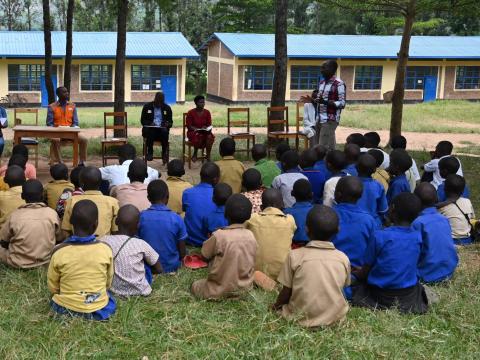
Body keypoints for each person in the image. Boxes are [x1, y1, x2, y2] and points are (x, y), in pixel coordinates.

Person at [272, 205, 350, 327]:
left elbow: (286, 292)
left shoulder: (294, 256)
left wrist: (276, 306)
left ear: (307, 230)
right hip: (334, 320)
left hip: (299, 319)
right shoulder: (343, 258)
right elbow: (341, 287)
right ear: (338, 230)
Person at [352, 193, 428, 314]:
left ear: (392, 209)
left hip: (380, 294)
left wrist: (355, 274)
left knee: (355, 287)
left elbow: (365, 272)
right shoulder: (418, 236)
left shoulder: (379, 236)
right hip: (408, 294)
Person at [47, 200, 116, 320]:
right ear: (96, 224)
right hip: (98, 307)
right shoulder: (106, 250)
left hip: (65, 308)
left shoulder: (59, 251)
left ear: (70, 222)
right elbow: (108, 282)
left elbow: (53, 286)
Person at [191, 194, 257, 299]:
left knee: (195, 285)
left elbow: (204, 255)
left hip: (216, 291)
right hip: (243, 290)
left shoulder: (219, 235)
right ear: (249, 216)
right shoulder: (251, 236)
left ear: (226, 214)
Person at [102, 205, 163, 296]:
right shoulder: (141, 244)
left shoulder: (104, 241)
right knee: (145, 263)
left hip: (113, 290)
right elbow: (159, 269)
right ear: (138, 225)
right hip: (140, 291)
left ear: (116, 221)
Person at [0, 180, 61, 269]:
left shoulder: (14, 215)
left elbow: (4, 240)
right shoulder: (52, 214)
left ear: (22, 196)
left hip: (17, 263)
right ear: (42, 195)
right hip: (45, 262)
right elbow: (59, 237)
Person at [332, 177, 376, 299]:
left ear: (338, 194)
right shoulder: (369, 220)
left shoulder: (328, 215)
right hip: (357, 274)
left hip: (329, 271)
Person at [246, 189, 296, 279]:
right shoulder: (289, 220)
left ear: (261, 207)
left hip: (256, 274)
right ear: (283, 205)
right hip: (282, 276)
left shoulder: (253, 219)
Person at [413, 183, 458, 283]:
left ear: (415, 201)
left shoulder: (417, 223)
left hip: (426, 274)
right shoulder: (444, 219)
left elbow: (412, 252)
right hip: (449, 271)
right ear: (437, 198)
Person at [139, 180, 187, 273]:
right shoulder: (177, 219)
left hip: (147, 267)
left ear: (148, 198)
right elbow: (182, 253)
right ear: (168, 197)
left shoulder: (141, 217)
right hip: (171, 266)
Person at [300, 60, 346, 151]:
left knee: (323, 148)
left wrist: (325, 102)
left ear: (332, 69)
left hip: (330, 120)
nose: (321, 70)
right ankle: (330, 162)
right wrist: (312, 100)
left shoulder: (339, 84)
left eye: (324, 68)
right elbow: (319, 102)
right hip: (319, 119)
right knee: (320, 146)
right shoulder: (321, 83)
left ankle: (325, 163)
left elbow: (342, 103)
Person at [62, 167, 119, 237]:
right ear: (100, 182)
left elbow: (66, 231)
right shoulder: (113, 202)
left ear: (81, 184)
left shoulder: (71, 200)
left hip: (78, 245)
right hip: (105, 245)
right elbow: (115, 231)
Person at [46, 86, 88, 165]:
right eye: (64, 92)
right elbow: (49, 123)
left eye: (67, 91)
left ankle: (82, 162)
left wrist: (73, 127)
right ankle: (60, 162)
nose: (67, 93)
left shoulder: (72, 106)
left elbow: (75, 122)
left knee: (84, 140)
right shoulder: (52, 107)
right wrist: (56, 128)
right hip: (57, 132)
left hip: (70, 132)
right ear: (58, 94)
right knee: (55, 140)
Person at [182, 162, 219, 247]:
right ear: (215, 179)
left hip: (191, 241)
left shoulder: (187, 193)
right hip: (211, 242)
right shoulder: (218, 195)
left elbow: (185, 210)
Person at [438, 174, 475, 245]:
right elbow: (472, 218)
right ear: (462, 191)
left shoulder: (442, 208)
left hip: (451, 241)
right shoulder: (468, 202)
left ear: (445, 189)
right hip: (468, 240)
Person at [356, 154, 388, 227]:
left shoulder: (350, 182)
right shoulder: (378, 186)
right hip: (373, 223)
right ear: (375, 170)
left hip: (353, 221)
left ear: (356, 167)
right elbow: (383, 209)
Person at [141, 92, 173, 163]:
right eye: (158, 102)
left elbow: (170, 122)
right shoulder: (147, 107)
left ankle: (164, 153)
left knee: (164, 131)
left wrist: (167, 124)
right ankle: (150, 152)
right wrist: (150, 123)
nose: (159, 104)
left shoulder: (167, 108)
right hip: (151, 130)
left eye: (161, 103)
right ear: (155, 99)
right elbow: (142, 120)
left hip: (162, 132)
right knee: (151, 131)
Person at [186, 95, 215, 162]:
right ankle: (195, 153)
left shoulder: (207, 112)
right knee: (198, 135)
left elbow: (209, 125)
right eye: (200, 102)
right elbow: (189, 126)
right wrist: (196, 129)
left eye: (203, 102)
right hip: (193, 132)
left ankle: (208, 156)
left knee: (210, 137)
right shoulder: (190, 113)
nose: (202, 104)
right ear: (196, 103)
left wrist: (206, 128)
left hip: (204, 132)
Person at [284, 179, 313, 245]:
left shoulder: (286, 212)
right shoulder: (317, 211)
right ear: (311, 194)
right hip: (313, 246)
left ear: (292, 193)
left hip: (293, 248)